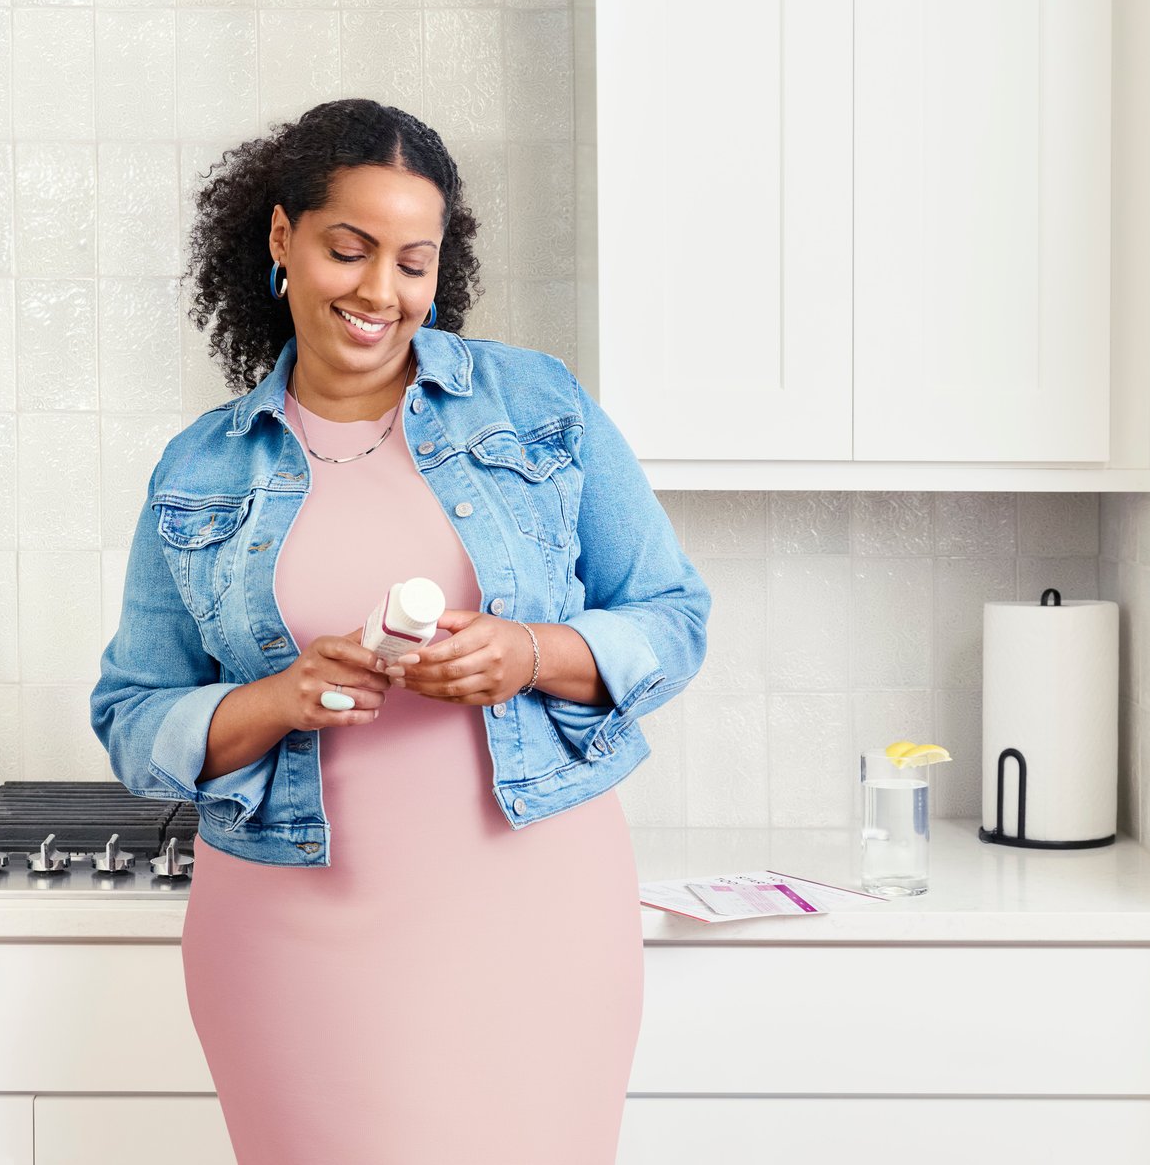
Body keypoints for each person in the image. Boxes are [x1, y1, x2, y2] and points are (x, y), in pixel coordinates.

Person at [90, 98, 710, 1165]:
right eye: (349, 249)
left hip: (537, 918)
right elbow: (131, 716)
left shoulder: (538, 405)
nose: (381, 291)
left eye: (412, 262)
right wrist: (279, 697)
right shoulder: (198, 469)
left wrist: (526, 653)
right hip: (291, 939)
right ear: (282, 238)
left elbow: (672, 616)